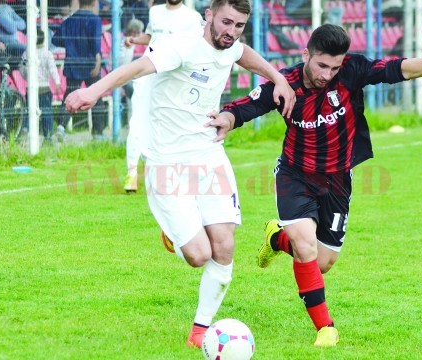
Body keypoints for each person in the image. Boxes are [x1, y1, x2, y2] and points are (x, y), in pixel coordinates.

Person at [206, 24, 422, 347]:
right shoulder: (288, 83)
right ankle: (326, 328)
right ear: (306, 54)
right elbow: (248, 105)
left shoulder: (351, 71)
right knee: (307, 247)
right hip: (295, 176)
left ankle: (276, 238)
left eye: (334, 67)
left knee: (320, 262)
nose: (327, 74)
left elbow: (398, 68)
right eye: (322, 65)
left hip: (338, 179)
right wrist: (226, 119)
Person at [64, 0, 296, 348]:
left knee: (225, 247)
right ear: (208, 16)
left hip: (209, 157)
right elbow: (136, 68)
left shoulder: (229, 47)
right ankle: (174, 235)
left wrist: (278, 77)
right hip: (168, 164)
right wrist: (93, 91)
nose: (230, 32)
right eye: (225, 22)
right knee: (198, 256)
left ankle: (201, 330)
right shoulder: (182, 47)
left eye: (238, 26)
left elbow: (243, 54)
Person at [122, 0, 203, 192]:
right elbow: (151, 37)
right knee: (137, 122)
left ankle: (168, 174)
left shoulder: (193, 17)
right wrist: (134, 40)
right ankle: (131, 174)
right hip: (148, 75)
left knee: (172, 125)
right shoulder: (155, 12)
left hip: (175, 79)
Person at [52, 0, 106, 141]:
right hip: (90, 63)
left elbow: (55, 39)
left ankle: (61, 127)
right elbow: (95, 43)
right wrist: (97, 62)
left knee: (69, 96)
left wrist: (70, 44)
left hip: (73, 63)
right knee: (96, 98)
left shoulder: (70, 20)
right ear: (94, 3)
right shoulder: (95, 20)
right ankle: (98, 133)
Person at [20, 30, 62, 143]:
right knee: (46, 112)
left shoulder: (27, 53)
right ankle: (48, 136)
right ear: (44, 39)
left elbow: (22, 71)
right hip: (44, 88)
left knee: (29, 111)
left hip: (31, 88)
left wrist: (27, 78)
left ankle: (25, 128)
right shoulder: (47, 53)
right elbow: (53, 69)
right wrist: (57, 82)